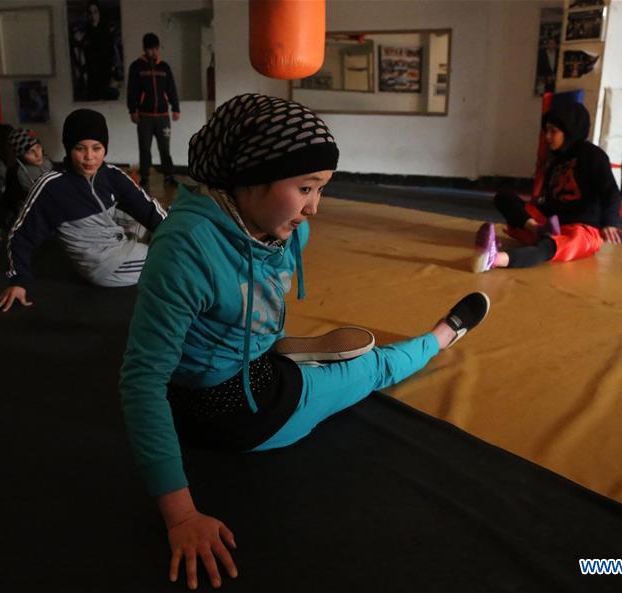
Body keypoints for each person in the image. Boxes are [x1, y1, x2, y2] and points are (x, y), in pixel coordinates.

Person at [119, 94, 491, 589]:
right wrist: (181, 517)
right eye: (305, 187)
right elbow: (142, 382)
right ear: (250, 177)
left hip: (246, 365)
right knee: (372, 368)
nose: (315, 206)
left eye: (321, 189)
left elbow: (260, 286)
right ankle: (441, 337)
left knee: (273, 337)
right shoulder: (185, 249)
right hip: (233, 413)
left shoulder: (282, 227)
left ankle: (282, 353)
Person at [0, 109, 166, 312]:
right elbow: (21, 236)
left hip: (118, 239)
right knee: (169, 258)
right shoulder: (51, 186)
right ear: (68, 148)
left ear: (105, 149)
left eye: (97, 148)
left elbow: (148, 209)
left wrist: (177, 232)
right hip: (104, 264)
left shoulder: (111, 175)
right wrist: (18, 281)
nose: (89, 157)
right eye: (80, 148)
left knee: (161, 227)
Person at [472, 101, 622, 273]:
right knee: (504, 197)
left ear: (569, 131)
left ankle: (496, 258)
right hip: (551, 223)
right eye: (547, 131)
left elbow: (610, 190)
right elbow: (550, 199)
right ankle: (534, 229)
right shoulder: (555, 161)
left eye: (553, 131)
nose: (547, 137)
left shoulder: (593, 156)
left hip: (582, 228)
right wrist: (533, 217)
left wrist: (609, 222)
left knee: (549, 246)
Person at [0, 128, 55, 244]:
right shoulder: (17, 174)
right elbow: (6, 202)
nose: (37, 154)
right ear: (20, 155)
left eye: (38, 148)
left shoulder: (50, 163)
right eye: (30, 152)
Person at [127, 32, 180, 187]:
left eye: (156, 49)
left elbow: (171, 89)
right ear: (145, 49)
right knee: (144, 148)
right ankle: (145, 177)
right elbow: (132, 90)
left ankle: (169, 176)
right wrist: (132, 110)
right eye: (150, 49)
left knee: (165, 148)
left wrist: (176, 108)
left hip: (163, 116)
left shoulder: (165, 67)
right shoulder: (136, 67)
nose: (153, 52)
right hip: (145, 116)